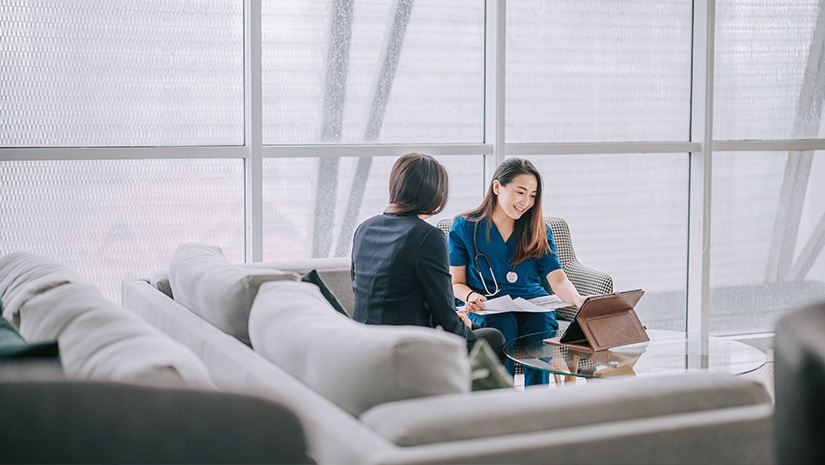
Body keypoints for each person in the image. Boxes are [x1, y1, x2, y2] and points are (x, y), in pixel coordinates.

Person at [351, 153, 507, 363]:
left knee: (476, 328)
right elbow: (443, 312)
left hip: (364, 339)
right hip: (407, 345)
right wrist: (461, 326)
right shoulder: (428, 236)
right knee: (494, 338)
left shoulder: (364, 229)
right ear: (434, 193)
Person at [448, 158, 587, 386]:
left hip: (532, 303)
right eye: (520, 192)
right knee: (503, 325)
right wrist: (470, 296)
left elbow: (557, 278)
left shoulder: (539, 230)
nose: (526, 202)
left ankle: (536, 401)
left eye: (532, 196)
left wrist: (577, 298)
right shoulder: (464, 227)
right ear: (496, 188)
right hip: (487, 305)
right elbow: (457, 283)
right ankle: (501, 400)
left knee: (541, 326)